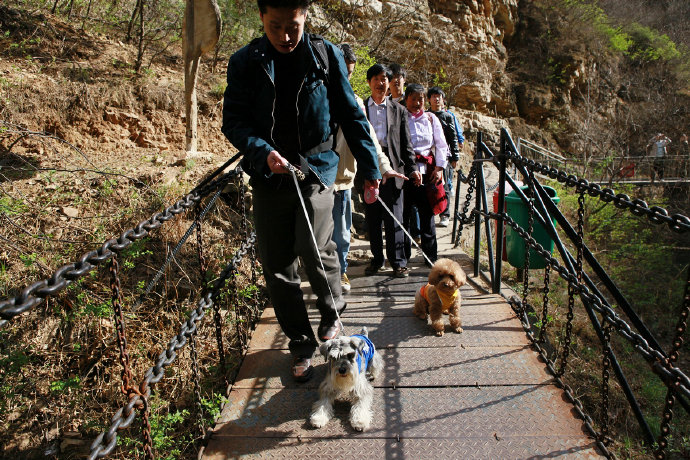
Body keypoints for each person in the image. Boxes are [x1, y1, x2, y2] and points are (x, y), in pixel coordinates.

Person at [221, 0, 382, 383]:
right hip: (269, 176)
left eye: (292, 25)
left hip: (316, 171)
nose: (284, 35)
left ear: (305, 15)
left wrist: (370, 170)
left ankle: (331, 314)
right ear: (261, 17)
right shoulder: (245, 61)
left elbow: (351, 116)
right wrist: (262, 152)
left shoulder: (325, 56)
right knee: (277, 266)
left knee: (316, 248)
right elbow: (234, 122)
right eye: (275, 26)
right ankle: (300, 343)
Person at [332, 44, 407, 292]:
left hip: (341, 181)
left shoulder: (354, 102)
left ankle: (340, 273)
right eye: (342, 69)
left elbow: (370, 139)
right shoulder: (316, 95)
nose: (345, 76)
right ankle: (325, 275)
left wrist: (384, 168)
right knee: (319, 235)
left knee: (342, 235)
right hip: (314, 179)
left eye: (350, 72)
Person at [362, 63, 420, 278]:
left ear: (389, 83)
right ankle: (377, 259)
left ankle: (398, 262)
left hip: (395, 168)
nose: (380, 82)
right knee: (373, 217)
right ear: (369, 82)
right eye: (376, 78)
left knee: (395, 217)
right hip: (368, 167)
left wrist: (412, 168)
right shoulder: (360, 108)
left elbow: (406, 144)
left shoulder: (399, 110)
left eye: (384, 79)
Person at [402, 83, 449, 266]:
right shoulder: (401, 117)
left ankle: (431, 257)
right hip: (406, 172)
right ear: (406, 100)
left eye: (420, 99)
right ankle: (403, 257)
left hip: (428, 173)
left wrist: (439, 168)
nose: (417, 102)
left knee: (427, 215)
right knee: (404, 216)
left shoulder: (431, 119)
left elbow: (441, 145)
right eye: (413, 98)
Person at [427, 86, 461, 227]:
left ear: (443, 99)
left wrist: (455, 157)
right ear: (429, 99)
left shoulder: (447, 116)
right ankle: (431, 213)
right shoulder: (425, 115)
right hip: (429, 155)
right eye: (433, 96)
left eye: (438, 96)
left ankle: (445, 214)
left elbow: (453, 137)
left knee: (445, 185)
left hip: (444, 156)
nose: (436, 99)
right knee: (429, 184)